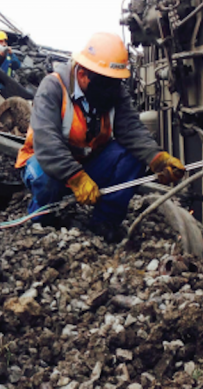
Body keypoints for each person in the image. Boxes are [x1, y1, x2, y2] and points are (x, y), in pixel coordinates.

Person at [15, 32, 185, 242]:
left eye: (115, 82)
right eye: (106, 83)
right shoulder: (52, 88)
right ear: (83, 74)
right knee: (47, 179)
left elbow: (132, 130)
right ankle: (42, 217)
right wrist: (76, 178)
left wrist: (158, 159)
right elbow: (47, 144)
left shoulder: (112, 92)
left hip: (87, 161)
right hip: (42, 161)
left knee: (131, 157)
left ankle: (105, 221)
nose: (112, 90)